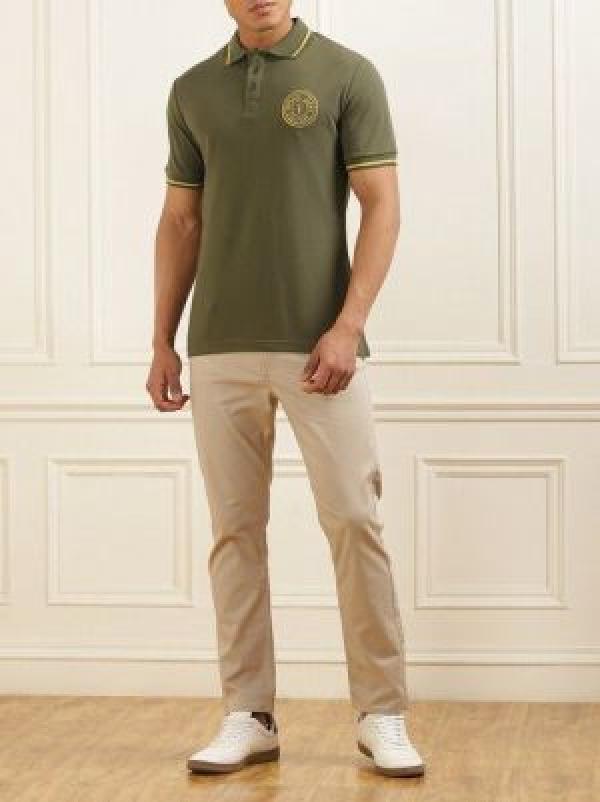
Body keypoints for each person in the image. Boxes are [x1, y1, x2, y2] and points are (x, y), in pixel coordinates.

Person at [146, 0, 425, 779]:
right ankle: (249, 714)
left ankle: (382, 713)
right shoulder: (192, 89)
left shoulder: (346, 75)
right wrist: (162, 340)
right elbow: (181, 222)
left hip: (322, 347)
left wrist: (347, 325)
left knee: (354, 520)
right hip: (218, 347)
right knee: (235, 532)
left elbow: (382, 206)